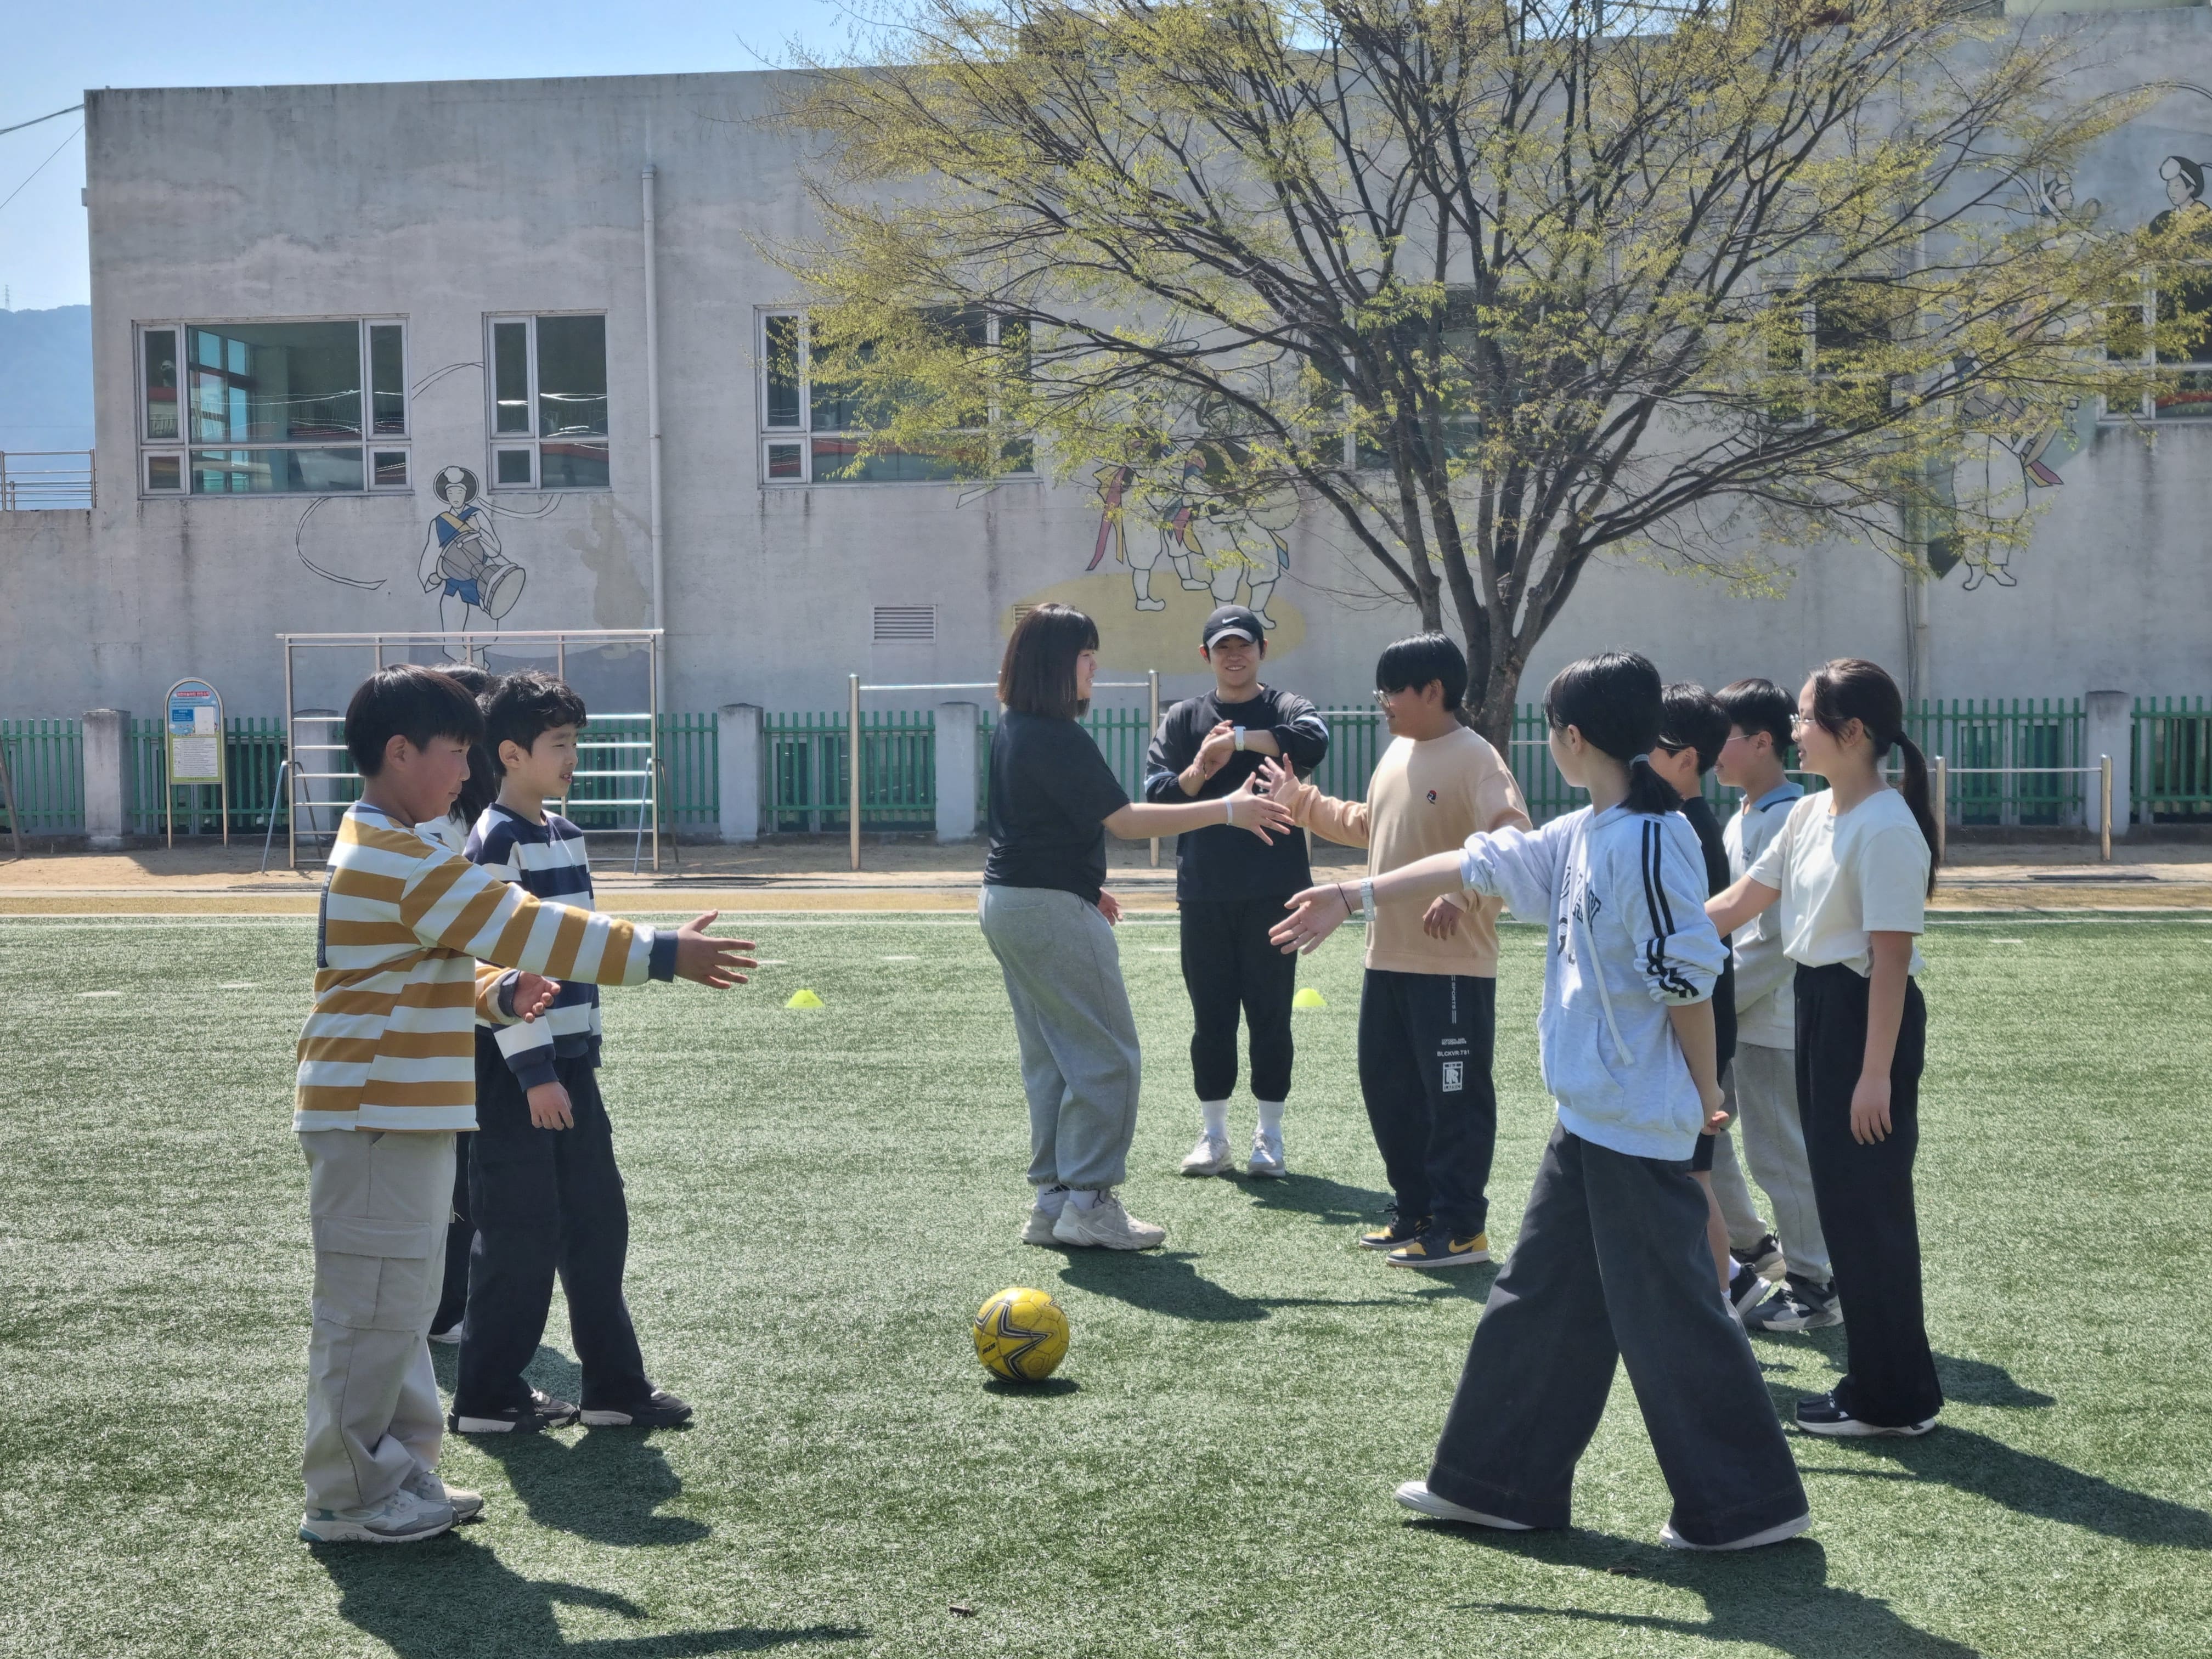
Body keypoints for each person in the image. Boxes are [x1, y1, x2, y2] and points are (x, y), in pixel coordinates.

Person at [1271, 651, 1810, 1551]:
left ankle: (1749, 1507)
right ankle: (1498, 1485)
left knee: (1673, 1312)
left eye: (1548, 727)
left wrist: (1705, 1099)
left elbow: (1687, 975)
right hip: (1593, 1115)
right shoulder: (1591, 827)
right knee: (1539, 1301)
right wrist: (1352, 891)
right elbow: (1479, 857)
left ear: (1570, 737)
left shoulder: (1646, 837)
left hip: (1636, 1122)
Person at [294, 665, 754, 1546]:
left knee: (403, 1303)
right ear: (400, 752)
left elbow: (440, 964)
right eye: (455, 753)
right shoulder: (395, 858)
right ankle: (349, 1496)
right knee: (368, 1312)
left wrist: (497, 997)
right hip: (372, 1116)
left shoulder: (401, 848)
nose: (467, 774)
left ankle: (398, 1472)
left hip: (403, 1113)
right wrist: (662, 954)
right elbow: (525, 920)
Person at [979, 605, 1296, 1252]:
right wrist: (1228, 810)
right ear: (1057, 663)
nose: (1095, 666)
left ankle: (1054, 1202)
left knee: (1052, 1061)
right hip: (1045, 909)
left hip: (1010, 901)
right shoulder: (1054, 733)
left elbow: (1033, 823)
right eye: (1087, 654)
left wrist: (1087, 884)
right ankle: (1091, 1202)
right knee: (1107, 1060)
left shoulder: (1018, 726)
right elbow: (1124, 820)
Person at [449, 671, 694, 1435]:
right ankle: (487, 1397)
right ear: (511, 754)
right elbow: (489, 967)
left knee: (597, 1221)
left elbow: (580, 947)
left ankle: (614, 1388)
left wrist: (575, 1057)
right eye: (559, 745)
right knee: (520, 1233)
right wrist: (534, 1073)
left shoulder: (563, 832)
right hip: (518, 1075)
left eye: (574, 744)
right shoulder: (492, 841)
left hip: (571, 1065)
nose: (572, 758)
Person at [1708, 659, 1943, 1438]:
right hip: (1816, 1006)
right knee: (1847, 1209)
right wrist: (1648, 937)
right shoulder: (1811, 815)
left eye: (1807, 719)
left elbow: (1890, 960)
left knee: (1871, 1211)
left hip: (1861, 1018)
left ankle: (1896, 1399)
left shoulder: (1886, 825)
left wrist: (1874, 1074)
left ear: (1854, 733)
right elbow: (1741, 904)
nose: (1795, 732)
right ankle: (1880, 1387)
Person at [1257, 634, 1530, 1269]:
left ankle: (1463, 1230)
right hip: (1387, 960)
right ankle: (1417, 1213)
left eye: (1391, 690)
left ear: (1432, 692)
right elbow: (1368, 826)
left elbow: (1513, 839)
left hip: (1452, 967)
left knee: (1454, 1102)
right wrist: (1300, 803)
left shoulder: (1477, 758)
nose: (1382, 702)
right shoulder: (1399, 752)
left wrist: (1462, 895)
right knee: (1391, 1094)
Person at [1144, 603, 1330, 1180]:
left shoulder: (1284, 708)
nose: (1234, 655)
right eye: (1222, 647)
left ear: (1262, 651)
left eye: (1243, 645)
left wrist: (1243, 741)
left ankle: (1269, 1138)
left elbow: (1313, 740)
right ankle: (1214, 1135)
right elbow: (1157, 796)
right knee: (1212, 1019)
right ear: (1206, 656)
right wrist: (1203, 766)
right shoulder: (1182, 719)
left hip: (1276, 893)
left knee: (1272, 1018)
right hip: (1204, 893)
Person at [1712, 677, 1836, 1334]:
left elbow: (1774, 940)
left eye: (1723, 737)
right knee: (1712, 1135)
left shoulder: (1793, 816)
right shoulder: (1746, 815)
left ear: (1762, 743)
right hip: (1740, 1010)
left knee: (1780, 1153)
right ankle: (1756, 1247)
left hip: (1771, 1018)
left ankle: (1817, 1284)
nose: (1712, 750)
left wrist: (1711, 1000)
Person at [1650, 682, 1772, 1318]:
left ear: (1685, 758)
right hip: (1700, 1021)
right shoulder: (1690, 826)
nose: (1641, 760)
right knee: (1686, 1173)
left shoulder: (1686, 831)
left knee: (1693, 1175)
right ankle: (1734, 1285)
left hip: (1696, 1024)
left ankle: (1732, 1295)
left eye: (1654, 747)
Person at [424, 662, 501, 1347]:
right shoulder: (437, 833)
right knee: (459, 1179)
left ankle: (448, 1306)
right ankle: (445, 1310)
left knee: (467, 1176)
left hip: (471, 1017)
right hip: (448, 1028)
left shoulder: (463, 820)